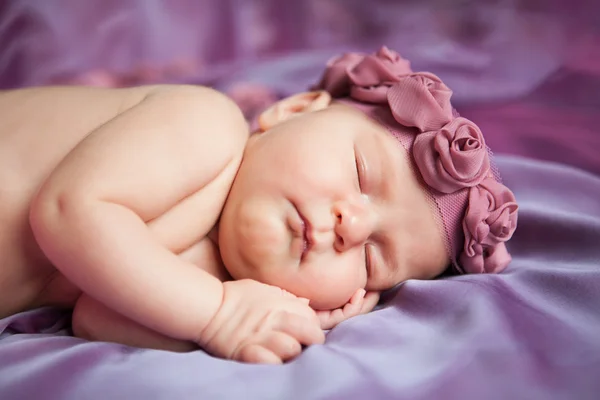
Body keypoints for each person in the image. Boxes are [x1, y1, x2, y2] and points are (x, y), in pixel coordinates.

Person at [0, 46, 518, 364]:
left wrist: (293, 315)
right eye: (362, 174)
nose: (353, 228)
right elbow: (71, 210)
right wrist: (216, 315)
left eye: (373, 258)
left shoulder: (191, 267)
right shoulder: (205, 123)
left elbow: (98, 315)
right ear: (292, 110)